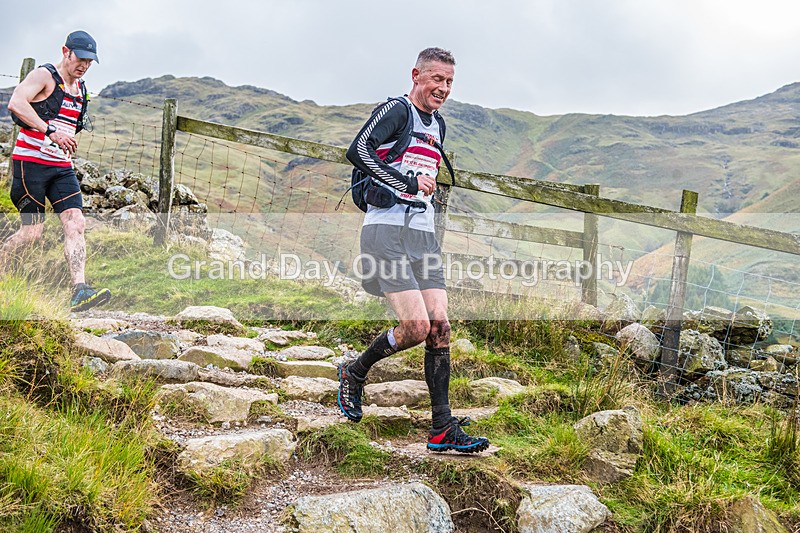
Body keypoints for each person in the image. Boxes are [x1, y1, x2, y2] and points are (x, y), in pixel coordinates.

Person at [341, 47, 489, 453]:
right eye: (437, 79)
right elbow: (358, 151)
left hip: (422, 236)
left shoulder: (438, 124)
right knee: (416, 328)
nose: (443, 88)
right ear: (416, 75)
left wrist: (425, 187)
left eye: (450, 82)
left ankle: (442, 428)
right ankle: (355, 371)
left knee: (440, 326)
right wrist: (406, 183)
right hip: (385, 232)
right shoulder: (397, 110)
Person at [3, 30, 111, 312]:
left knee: (76, 223)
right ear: (66, 52)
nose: (84, 65)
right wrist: (50, 131)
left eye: (90, 61)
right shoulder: (45, 75)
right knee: (32, 234)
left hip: (61, 168)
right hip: (30, 164)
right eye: (80, 58)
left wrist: (63, 139)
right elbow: (16, 103)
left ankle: (80, 290)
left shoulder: (81, 89)